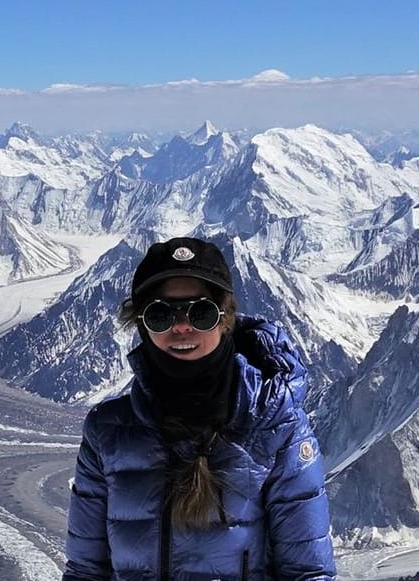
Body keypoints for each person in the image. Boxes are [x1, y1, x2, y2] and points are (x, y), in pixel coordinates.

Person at [62, 237, 336, 579]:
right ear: (142, 324)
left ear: (225, 319)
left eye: (200, 312)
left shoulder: (275, 424)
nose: (180, 326)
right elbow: (86, 570)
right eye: (160, 314)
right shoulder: (107, 430)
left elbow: (307, 572)